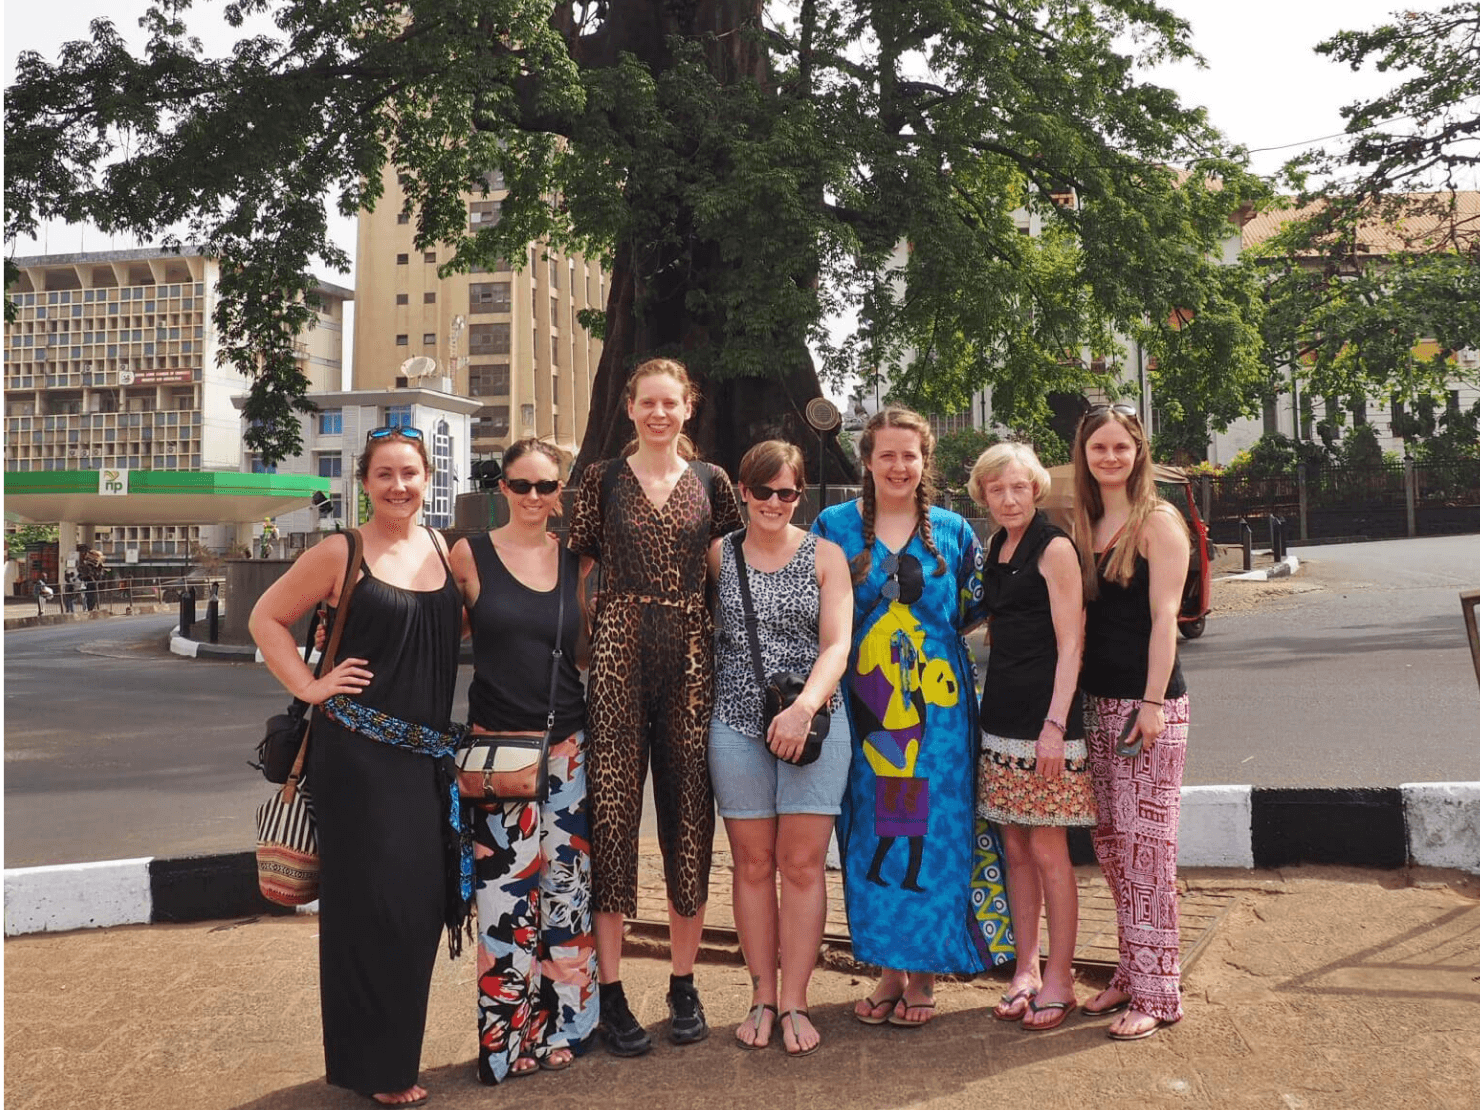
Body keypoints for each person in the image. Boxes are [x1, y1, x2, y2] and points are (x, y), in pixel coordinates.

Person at [250, 425, 466, 1108]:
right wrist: (312, 686)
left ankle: (389, 1054)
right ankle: (378, 1068)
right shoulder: (341, 551)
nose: (399, 486)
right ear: (364, 483)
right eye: (385, 475)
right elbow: (265, 618)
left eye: (410, 473)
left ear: (429, 479)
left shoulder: (441, 548)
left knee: (419, 908)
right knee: (372, 911)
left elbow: (444, 632)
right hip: (359, 758)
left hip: (427, 760)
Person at [811, 407, 1012, 1030]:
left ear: (925, 462)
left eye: (910, 455)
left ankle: (924, 972)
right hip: (866, 715)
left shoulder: (953, 533)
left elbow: (980, 615)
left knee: (932, 837)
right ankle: (889, 968)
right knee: (874, 836)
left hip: (940, 724)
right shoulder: (832, 526)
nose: (899, 466)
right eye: (886, 455)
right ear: (867, 461)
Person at [567, 358, 742, 1055]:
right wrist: (600, 629)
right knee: (610, 816)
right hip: (617, 656)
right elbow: (580, 568)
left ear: (688, 407)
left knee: (690, 817)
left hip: (692, 658)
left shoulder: (712, 483)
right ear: (631, 408)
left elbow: (726, 570)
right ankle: (611, 990)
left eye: (671, 403)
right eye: (648, 403)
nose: (660, 413)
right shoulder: (602, 479)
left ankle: (683, 979)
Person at [447, 439, 597, 1082]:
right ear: (500, 488)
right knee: (507, 900)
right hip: (497, 755)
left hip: (566, 749)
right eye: (520, 485)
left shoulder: (576, 564)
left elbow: (592, 647)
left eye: (545, 486)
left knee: (566, 897)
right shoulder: (470, 555)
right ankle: (508, 1041)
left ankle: (565, 1025)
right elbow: (431, 634)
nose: (533, 497)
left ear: (559, 490)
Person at [706, 440, 852, 1056]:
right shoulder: (719, 554)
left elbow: (837, 644)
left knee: (801, 866)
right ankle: (762, 994)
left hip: (812, 724)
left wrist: (802, 708)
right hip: (737, 723)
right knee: (752, 865)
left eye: (786, 492)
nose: (773, 502)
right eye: (762, 490)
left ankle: (796, 998)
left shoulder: (825, 555)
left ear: (799, 495)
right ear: (742, 491)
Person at [1070, 403, 1192, 1042]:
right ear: (1084, 456)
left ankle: (1160, 991)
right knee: (1114, 848)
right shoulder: (1087, 521)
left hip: (1148, 707)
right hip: (1097, 703)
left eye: (1121, 447)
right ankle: (1129, 970)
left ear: (1139, 451)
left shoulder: (1157, 522)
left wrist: (1149, 705)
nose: (1111, 458)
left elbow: (1164, 618)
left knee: (1149, 852)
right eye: (1099, 449)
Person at [968, 443, 1094, 1032]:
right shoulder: (997, 547)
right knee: (1013, 849)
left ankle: (1062, 978)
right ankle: (1026, 969)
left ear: (1036, 489)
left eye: (1018, 487)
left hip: (1045, 727)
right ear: (984, 497)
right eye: (997, 490)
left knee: (1047, 850)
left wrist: (1054, 725)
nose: (1009, 498)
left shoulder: (1054, 548)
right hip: (1000, 721)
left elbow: (1073, 644)